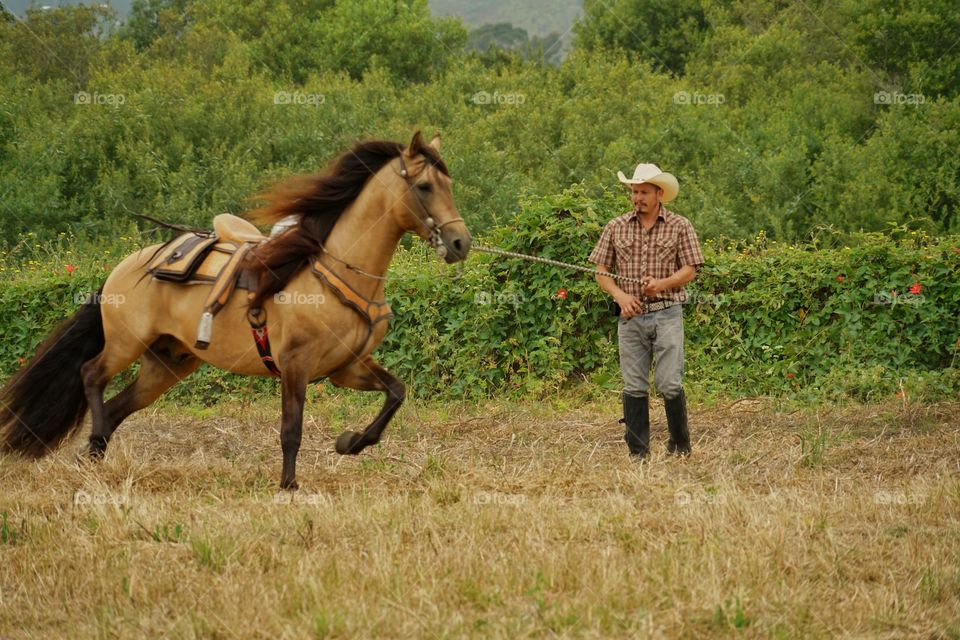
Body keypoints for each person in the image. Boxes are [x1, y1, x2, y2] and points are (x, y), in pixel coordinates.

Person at [589, 164, 704, 459]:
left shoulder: (680, 225)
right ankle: (638, 452)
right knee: (634, 385)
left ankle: (679, 445)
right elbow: (601, 271)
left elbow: (691, 269)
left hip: (667, 313)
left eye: (643, 192)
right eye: (634, 192)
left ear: (659, 194)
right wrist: (620, 295)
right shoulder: (616, 226)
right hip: (630, 318)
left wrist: (661, 284)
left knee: (669, 383)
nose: (637, 198)